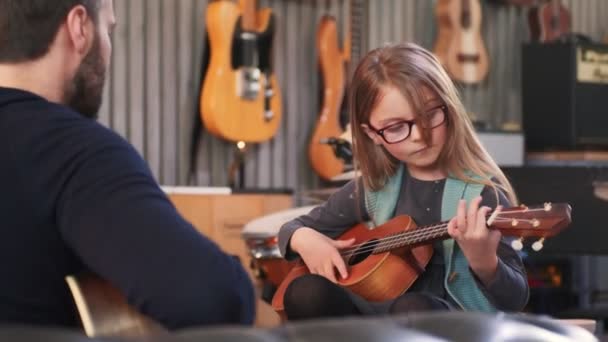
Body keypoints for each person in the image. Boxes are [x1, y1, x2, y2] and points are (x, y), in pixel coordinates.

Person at [0, 0, 254, 330]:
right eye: (108, 28)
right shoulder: (74, 151)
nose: (108, 48)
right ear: (79, 27)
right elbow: (217, 298)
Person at [278, 42, 529, 320]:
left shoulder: (481, 195)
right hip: (373, 318)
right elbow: (291, 229)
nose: (419, 136)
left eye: (430, 115)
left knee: (413, 309)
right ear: (372, 133)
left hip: (446, 324)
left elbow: (515, 299)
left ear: (449, 107)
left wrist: (485, 262)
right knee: (306, 292)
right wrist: (305, 239)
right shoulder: (372, 188)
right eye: (397, 127)